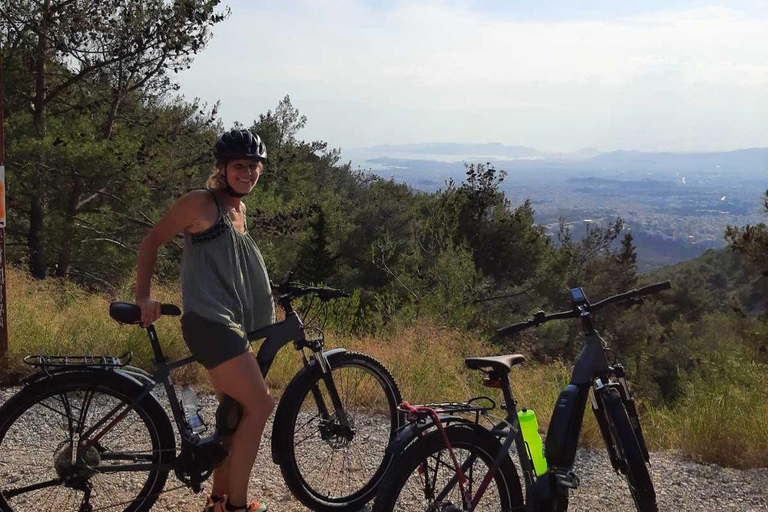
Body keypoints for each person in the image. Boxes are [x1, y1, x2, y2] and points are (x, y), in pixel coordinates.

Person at [135, 128, 275, 512]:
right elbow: (151, 242)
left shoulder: (239, 210)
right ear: (223, 168)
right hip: (209, 322)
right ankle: (237, 507)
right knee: (260, 405)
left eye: (255, 166)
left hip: (230, 323)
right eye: (240, 166)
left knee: (234, 413)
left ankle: (217, 500)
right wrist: (143, 295)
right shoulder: (200, 203)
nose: (249, 173)